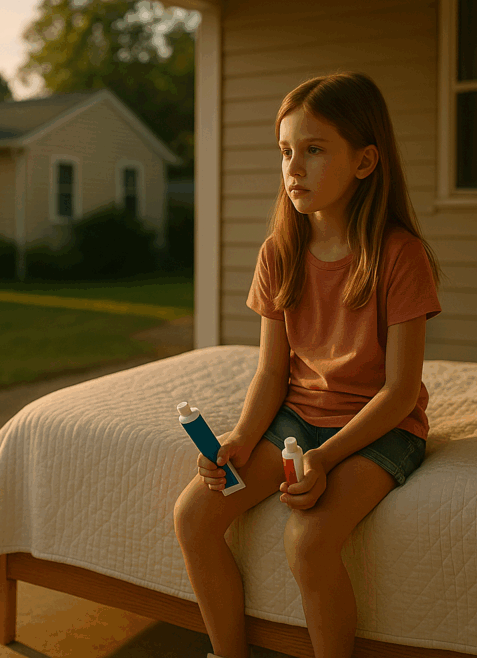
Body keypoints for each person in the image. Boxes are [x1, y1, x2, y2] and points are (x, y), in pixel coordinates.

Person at [172, 72, 442, 658]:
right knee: (194, 515)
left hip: (381, 429)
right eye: (286, 151)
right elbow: (272, 373)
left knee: (309, 541)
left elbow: (400, 392)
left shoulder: (401, 255)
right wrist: (243, 437)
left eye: (314, 150)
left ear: (365, 161)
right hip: (297, 420)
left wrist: (323, 458)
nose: (294, 168)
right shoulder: (279, 252)